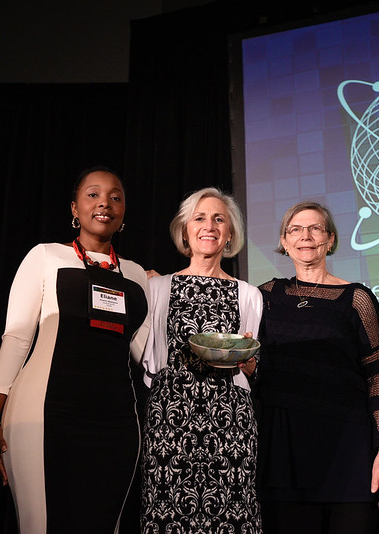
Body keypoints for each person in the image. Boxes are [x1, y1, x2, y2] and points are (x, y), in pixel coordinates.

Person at [0, 167, 150, 533]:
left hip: (117, 425)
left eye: (116, 197)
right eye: (93, 194)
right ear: (75, 208)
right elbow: (17, 338)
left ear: (124, 212)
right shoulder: (45, 257)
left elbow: (146, 354)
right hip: (44, 415)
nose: (105, 203)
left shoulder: (137, 275)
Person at [255, 201, 379, 534]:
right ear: (284, 241)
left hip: (348, 450)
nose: (305, 236)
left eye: (315, 228)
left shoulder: (357, 299)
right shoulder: (265, 296)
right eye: (295, 229)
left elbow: (378, 377)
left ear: (330, 239)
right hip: (285, 452)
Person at [140, 187, 263, 533]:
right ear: (185, 230)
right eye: (200, 218)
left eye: (219, 219)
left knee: (232, 519)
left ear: (230, 233)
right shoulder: (156, 288)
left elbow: (251, 368)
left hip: (231, 425)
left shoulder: (249, 295)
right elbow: (144, 357)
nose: (209, 226)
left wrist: (248, 362)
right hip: (170, 423)